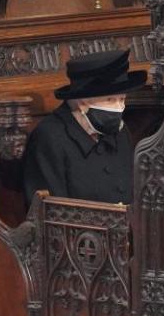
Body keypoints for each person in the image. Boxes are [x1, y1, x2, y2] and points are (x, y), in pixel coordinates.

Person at [22, 49, 146, 206]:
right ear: (82, 101)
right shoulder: (49, 138)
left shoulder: (120, 132)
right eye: (109, 99)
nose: (119, 107)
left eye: (122, 99)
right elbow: (50, 214)